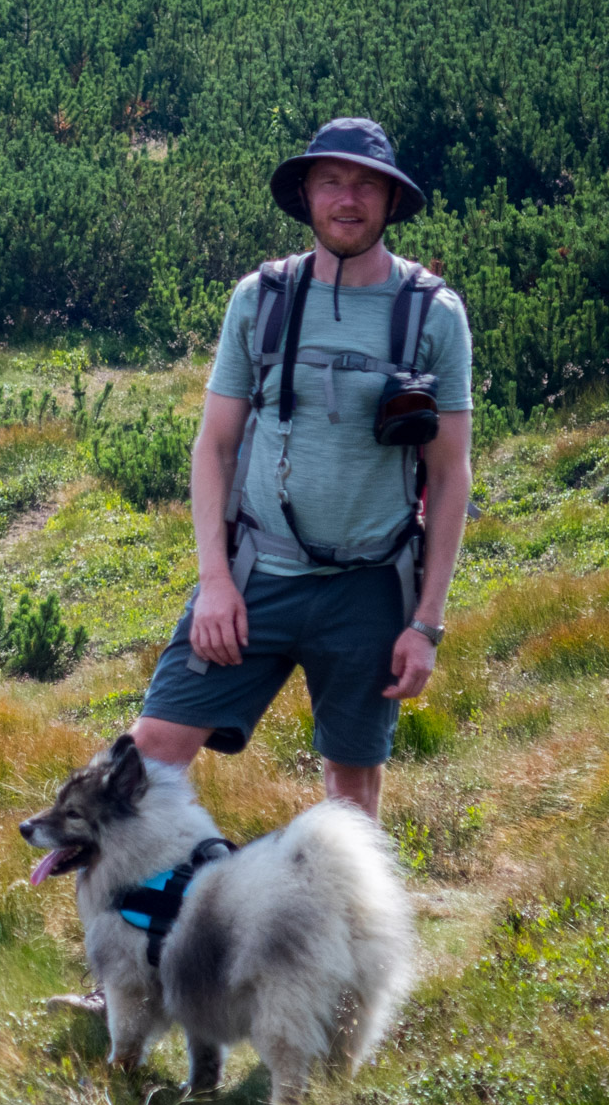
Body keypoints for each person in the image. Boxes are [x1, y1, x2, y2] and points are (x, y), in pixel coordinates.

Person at [132, 118, 473, 819]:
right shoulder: (259, 300)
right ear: (307, 195)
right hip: (256, 576)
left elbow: (451, 475)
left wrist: (426, 624)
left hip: (371, 590)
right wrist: (215, 583)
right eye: (332, 182)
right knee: (148, 759)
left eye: (366, 185)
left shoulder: (435, 316)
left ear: (390, 199)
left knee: (352, 801)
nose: (348, 199)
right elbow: (215, 446)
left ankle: (344, 932)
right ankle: (146, 927)